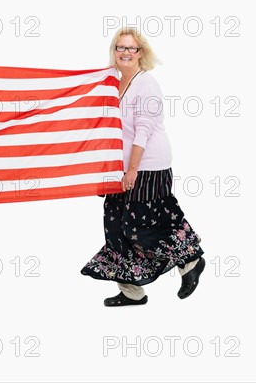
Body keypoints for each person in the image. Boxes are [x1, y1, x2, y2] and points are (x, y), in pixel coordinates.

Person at [81, 27, 205, 306]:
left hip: (147, 166)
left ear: (141, 53)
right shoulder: (112, 82)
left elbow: (143, 131)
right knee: (115, 226)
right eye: (120, 47)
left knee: (141, 225)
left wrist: (132, 171)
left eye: (131, 48)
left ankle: (190, 260)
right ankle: (131, 292)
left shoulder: (146, 83)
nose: (125, 52)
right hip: (117, 167)